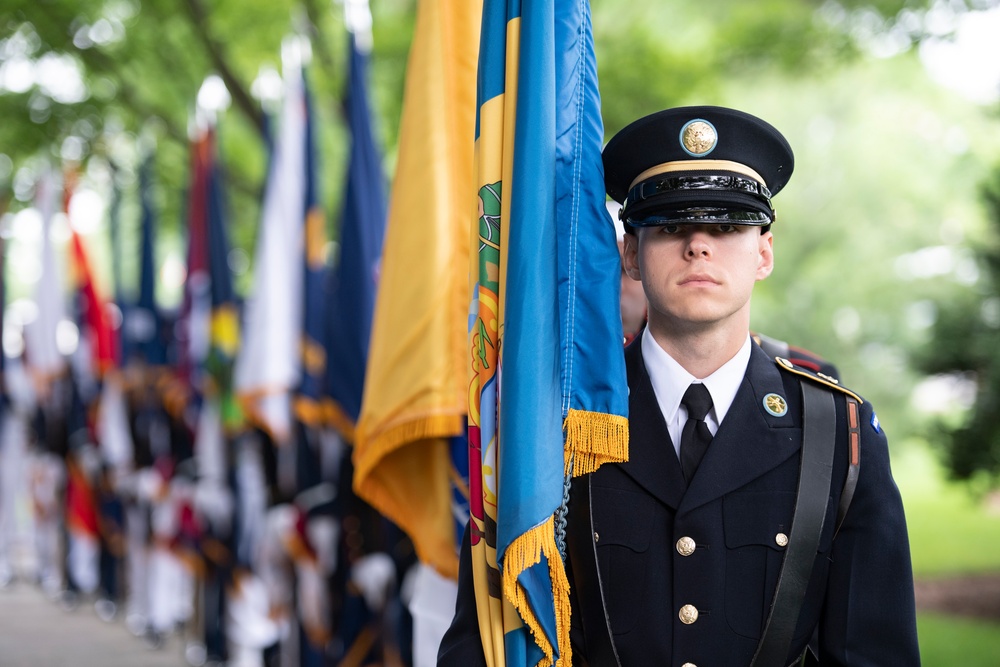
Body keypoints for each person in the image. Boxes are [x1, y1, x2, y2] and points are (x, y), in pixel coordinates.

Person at [439, 106, 919, 666]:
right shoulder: (558, 424)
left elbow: (874, 653)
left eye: (725, 227)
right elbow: (487, 641)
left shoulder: (839, 431)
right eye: (670, 228)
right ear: (630, 255)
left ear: (763, 252)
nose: (698, 246)